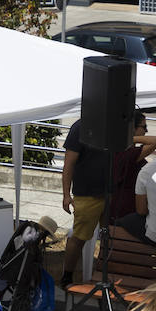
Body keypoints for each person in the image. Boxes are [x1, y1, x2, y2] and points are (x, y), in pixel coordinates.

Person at [60, 118, 111, 286]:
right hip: (87, 194)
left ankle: (104, 274)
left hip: (111, 193)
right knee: (79, 237)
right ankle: (67, 276)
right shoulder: (80, 127)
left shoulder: (114, 123)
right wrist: (66, 195)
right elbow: (68, 163)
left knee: (110, 237)